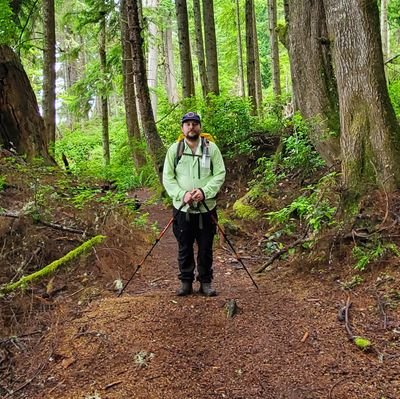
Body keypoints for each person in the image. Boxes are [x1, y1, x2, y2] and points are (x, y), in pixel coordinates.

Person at [163, 112, 226, 296]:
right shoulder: (174, 150)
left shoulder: (211, 148)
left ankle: (205, 282)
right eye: (187, 124)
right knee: (184, 245)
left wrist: (205, 191)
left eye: (194, 123)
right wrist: (182, 195)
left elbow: (220, 173)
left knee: (206, 246)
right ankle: (186, 281)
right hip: (183, 208)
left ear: (200, 127)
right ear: (182, 128)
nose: (191, 127)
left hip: (207, 207)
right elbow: (168, 177)